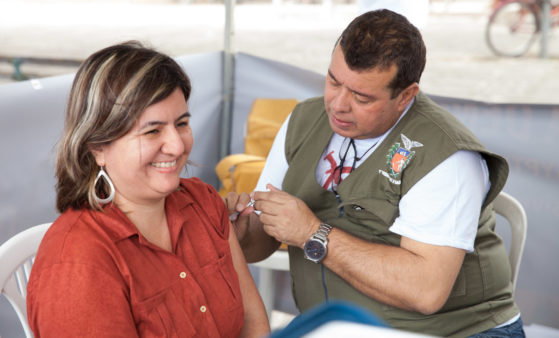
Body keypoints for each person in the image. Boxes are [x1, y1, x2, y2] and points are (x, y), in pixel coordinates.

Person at [225, 10, 524, 337]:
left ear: (406, 96)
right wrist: (241, 234)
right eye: (333, 81)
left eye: (361, 97)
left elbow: (425, 291)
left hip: (453, 332)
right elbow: (261, 244)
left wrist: (314, 233)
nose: (338, 105)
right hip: (335, 326)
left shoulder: (448, 156)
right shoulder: (303, 120)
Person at [27, 41, 270, 337]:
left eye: (181, 124)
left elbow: (253, 324)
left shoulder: (203, 202)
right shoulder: (78, 263)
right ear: (98, 148)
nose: (177, 146)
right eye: (152, 131)